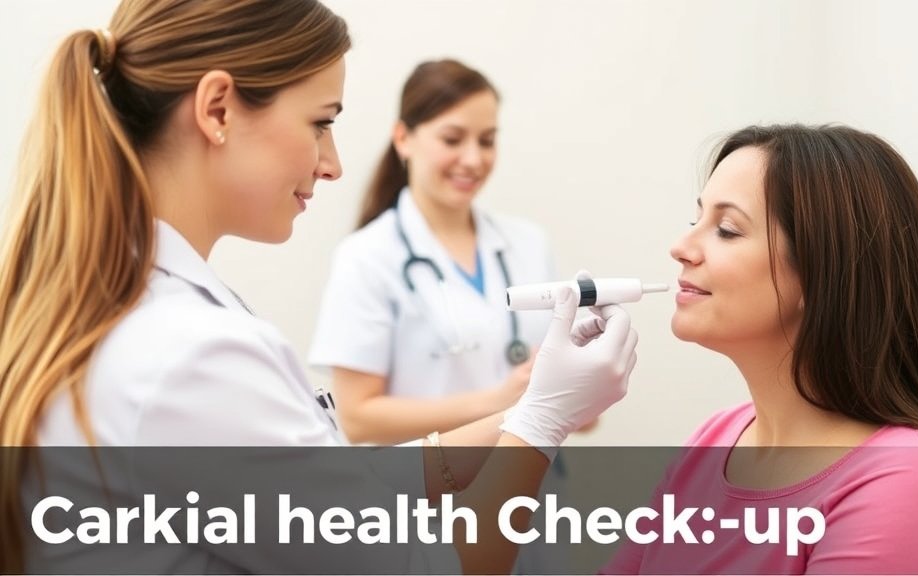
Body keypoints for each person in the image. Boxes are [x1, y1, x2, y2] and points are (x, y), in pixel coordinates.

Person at [0, 1, 637, 574]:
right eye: (320, 122)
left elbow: (320, 477)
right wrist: (544, 420)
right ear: (217, 108)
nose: (331, 163)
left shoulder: (154, 312)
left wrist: (536, 405)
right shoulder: (187, 355)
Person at [601, 124, 918, 574]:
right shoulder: (716, 438)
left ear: (821, 272)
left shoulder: (910, 484)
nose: (681, 247)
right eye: (696, 220)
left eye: (726, 230)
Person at [308, 58, 560, 446]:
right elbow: (358, 418)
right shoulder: (367, 257)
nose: (474, 159)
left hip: (532, 484)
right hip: (428, 493)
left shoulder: (528, 243)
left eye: (487, 140)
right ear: (403, 138)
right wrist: (499, 401)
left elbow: (564, 394)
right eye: (452, 139)